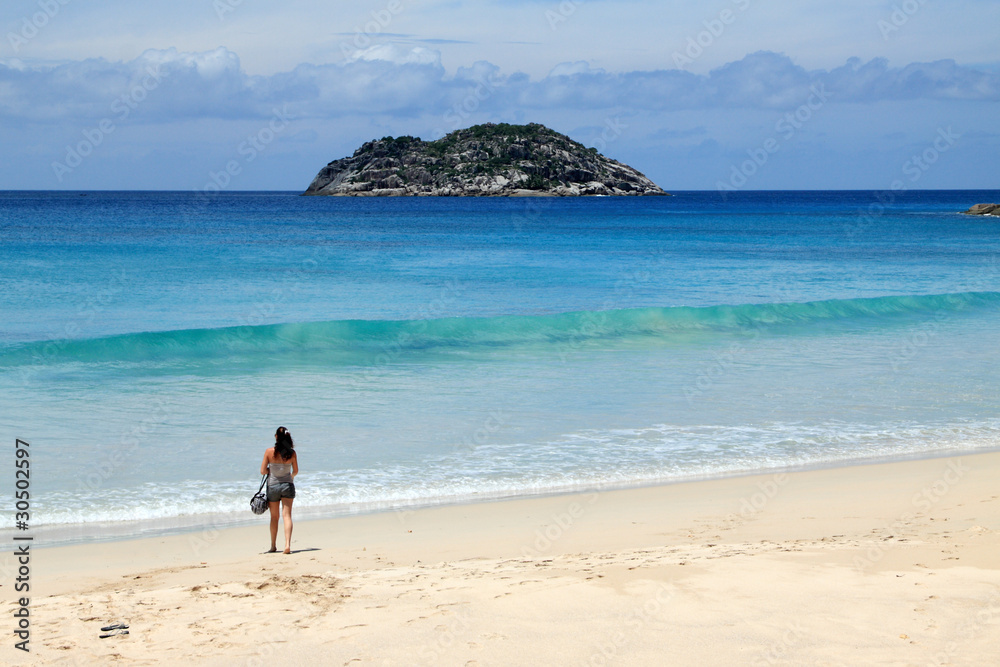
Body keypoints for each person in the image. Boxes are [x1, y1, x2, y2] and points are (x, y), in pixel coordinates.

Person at [260, 426, 298, 554]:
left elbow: (262, 471)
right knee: (287, 516)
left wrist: (271, 470)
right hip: (287, 485)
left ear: (276, 437)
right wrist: (290, 477)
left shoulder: (269, 452)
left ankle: (273, 546)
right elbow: (296, 471)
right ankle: (287, 545)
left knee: (274, 518)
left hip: (273, 486)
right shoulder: (292, 453)